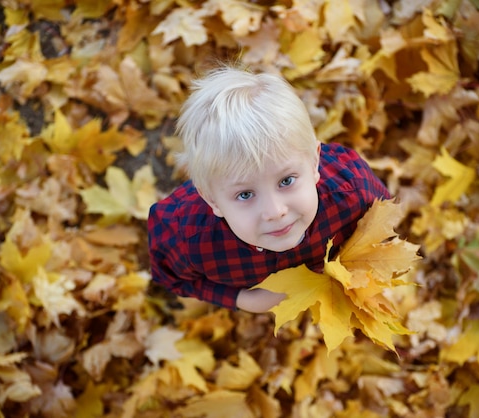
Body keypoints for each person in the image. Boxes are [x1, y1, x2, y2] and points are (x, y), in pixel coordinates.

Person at [147, 66, 390, 313]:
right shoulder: (189, 239)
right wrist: (241, 299)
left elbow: (384, 223)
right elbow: (171, 276)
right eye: (245, 194)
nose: (274, 211)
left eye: (286, 181)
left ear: (314, 162)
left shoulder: (352, 192)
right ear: (212, 200)